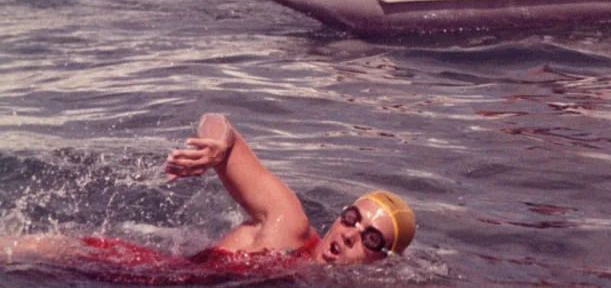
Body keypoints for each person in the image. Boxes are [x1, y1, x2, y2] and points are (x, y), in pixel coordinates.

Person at [0, 113, 415, 281]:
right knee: (27, 251)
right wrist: (215, 147)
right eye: (351, 218)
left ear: (384, 261)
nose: (348, 234)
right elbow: (222, 125)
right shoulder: (287, 226)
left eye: (370, 238)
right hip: (142, 273)